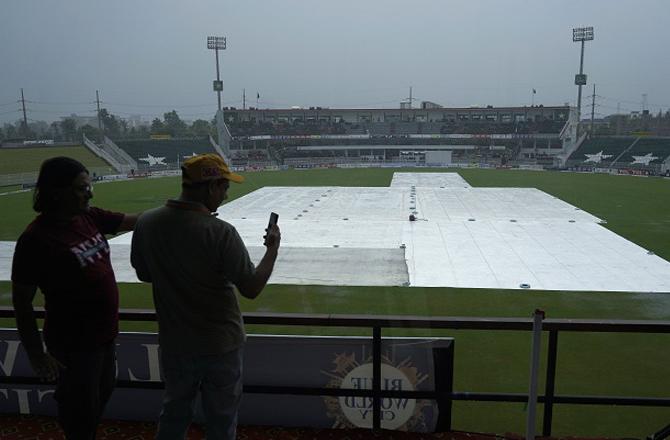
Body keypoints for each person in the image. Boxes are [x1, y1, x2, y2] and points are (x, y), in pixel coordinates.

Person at [130, 153, 280, 440]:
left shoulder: (147, 223)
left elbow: (144, 274)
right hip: (220, 344)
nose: (226, 193)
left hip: (175, 343)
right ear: (211, 187)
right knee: (221, 421)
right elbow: (251, 288)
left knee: (173, 414)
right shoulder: (220, 232)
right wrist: (272, 249)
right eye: (224, 187)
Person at [11, 156, 139, 439]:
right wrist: (36, 354)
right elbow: (21, 302)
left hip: (104, 337)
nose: (90, 193)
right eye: (82, 188)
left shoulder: (88, 217)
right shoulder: (35, 240)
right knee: (79, 412)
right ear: (57, 191)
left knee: (97, 400)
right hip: (74, 345)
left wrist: (183, 212)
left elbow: (135, 221)